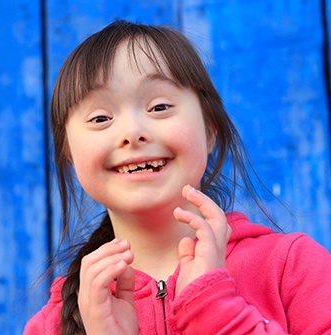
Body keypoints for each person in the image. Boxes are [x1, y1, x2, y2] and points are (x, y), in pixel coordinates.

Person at [24, 20, 331, 335]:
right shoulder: (52, 324)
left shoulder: (293, 269)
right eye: (101, 118)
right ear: (69, 154)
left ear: (210, 130)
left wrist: (213, 309)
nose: (132, 133)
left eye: (159, 107)